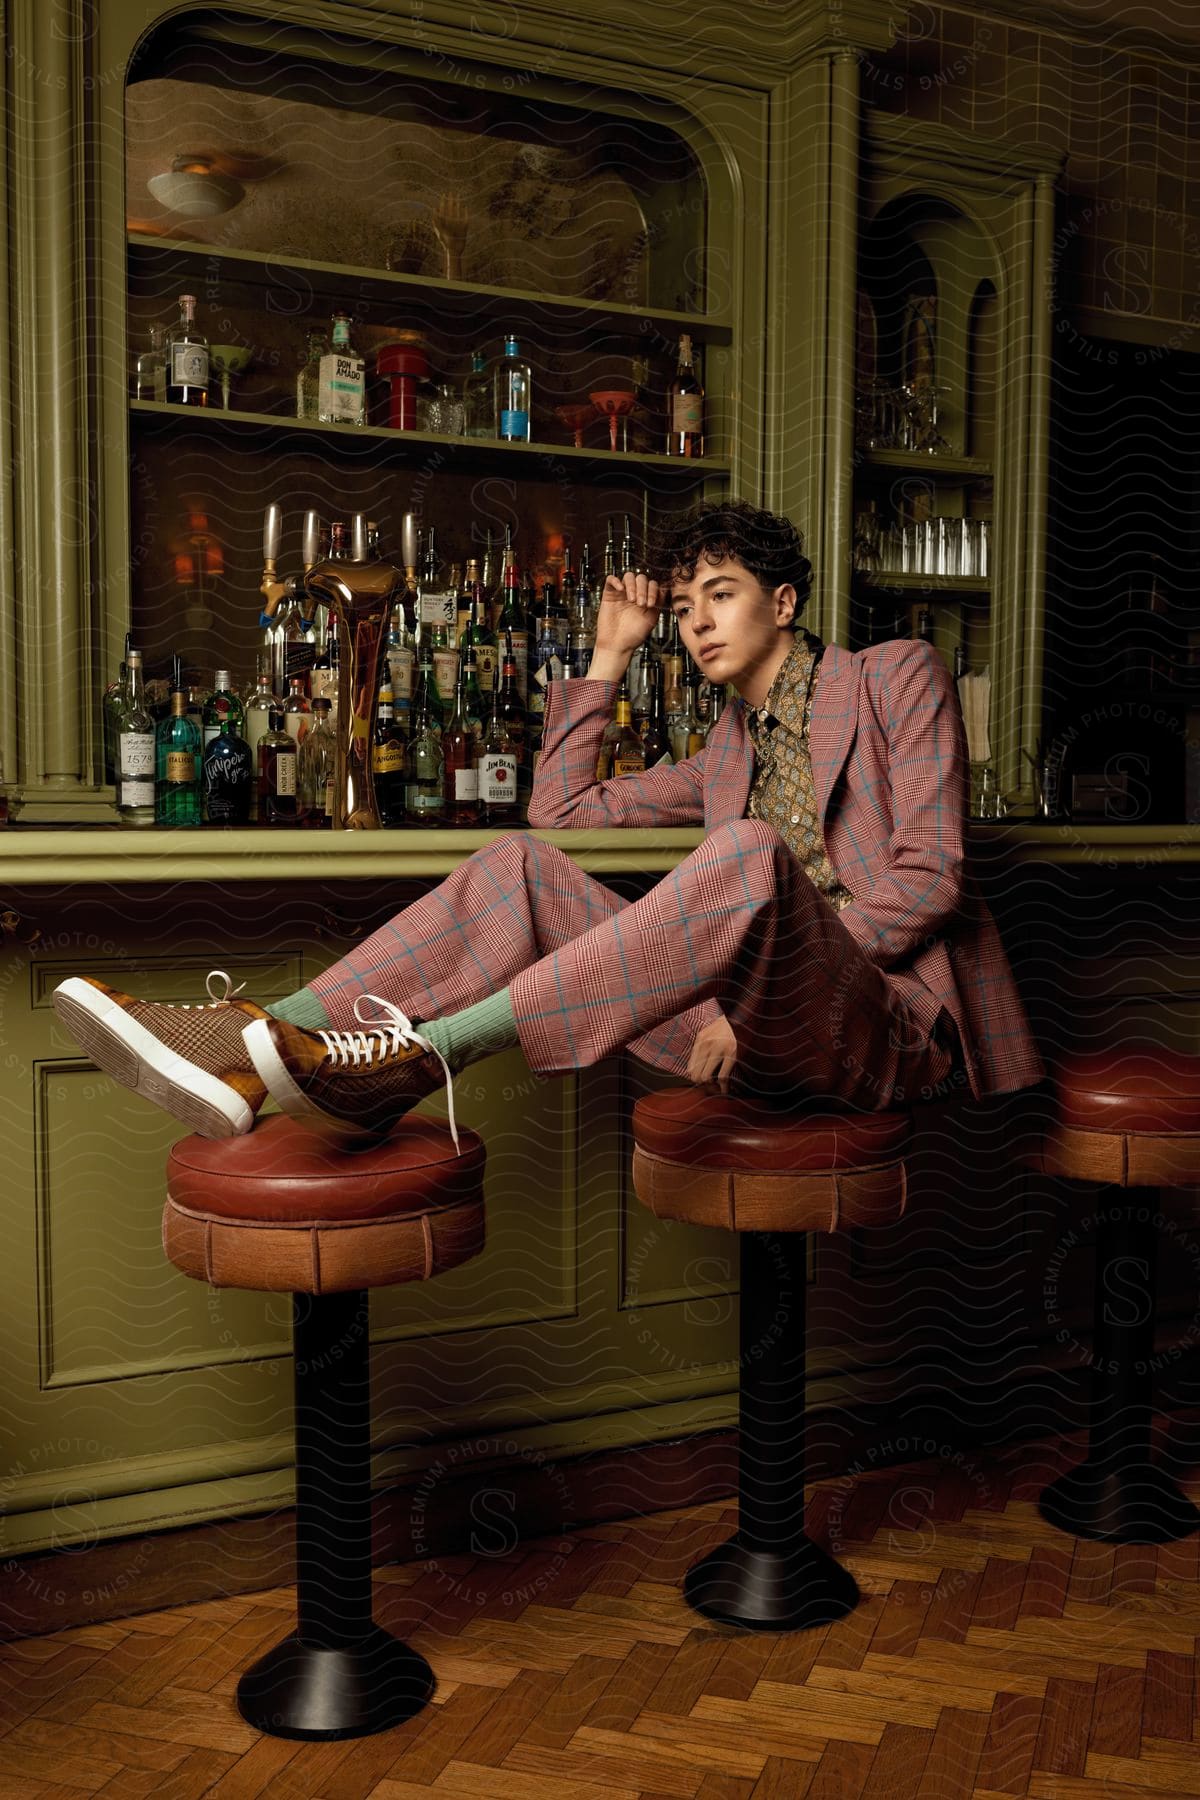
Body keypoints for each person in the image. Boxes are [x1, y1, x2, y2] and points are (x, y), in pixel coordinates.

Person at [54, 500, 1043, 1143]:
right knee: (518, 865)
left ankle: (421, 1058)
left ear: (784, 602)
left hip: (883, 1025)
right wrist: (611, 655)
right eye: (686, 604)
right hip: (741, 1031)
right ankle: (251, 1040)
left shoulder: (891, 677)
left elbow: (932, 872)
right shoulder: (726, 756)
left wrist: (764, 998)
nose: (699, 621)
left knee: (743, 855)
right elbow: (559, 815)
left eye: (723, 596)